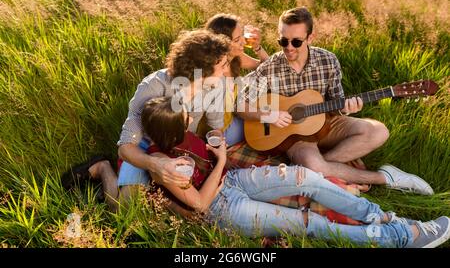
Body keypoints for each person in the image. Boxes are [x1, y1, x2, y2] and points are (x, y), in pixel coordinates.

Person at [127, 96, 450, 248]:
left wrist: (214, 149)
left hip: (233, 180)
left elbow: (203, 150)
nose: (189, 118)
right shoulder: (168, 167)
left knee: (307, 178)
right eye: (184, 117)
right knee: (310, 224)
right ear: (170, 128)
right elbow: (198, 203)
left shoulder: (180, 134)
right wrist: (222, 160)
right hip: (221, 207)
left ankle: (383, 217)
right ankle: (401, 238)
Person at [236, 6, 433, 195]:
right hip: (295, 136)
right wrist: (269, 115)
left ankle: (323, 167)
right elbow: (240, 105)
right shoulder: (271, 66)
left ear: (310, 38)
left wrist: (346, 109)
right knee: (314, 165)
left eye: (296, 42)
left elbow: (337, 102)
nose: (288, 48)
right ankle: (386, 178)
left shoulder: (328, 60)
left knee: (379, 131)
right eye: (283, 41)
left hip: (326, 122)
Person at [62, 29, 231, 211]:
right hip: (145, 148)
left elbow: (215, 128)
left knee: (186, 206)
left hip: (179, 145)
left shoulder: (216, 86)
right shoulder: (154, 86)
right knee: (121, 209)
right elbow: (126, 147)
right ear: (202, 69)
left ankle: (154, 195)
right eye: (222, 66)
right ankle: (103, 166)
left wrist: (213, 144)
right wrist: (156, 164)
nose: (226, 70)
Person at [204, 13, 269, 147]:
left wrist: (257, 47)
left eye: (242, 36)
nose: (244, 42)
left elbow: (267, 67)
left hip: (233, 114)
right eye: (237, 39)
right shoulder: (212, 71)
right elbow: (213, 123)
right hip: (221, 131)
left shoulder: (235, 56)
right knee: (264, 126)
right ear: (222, 42)